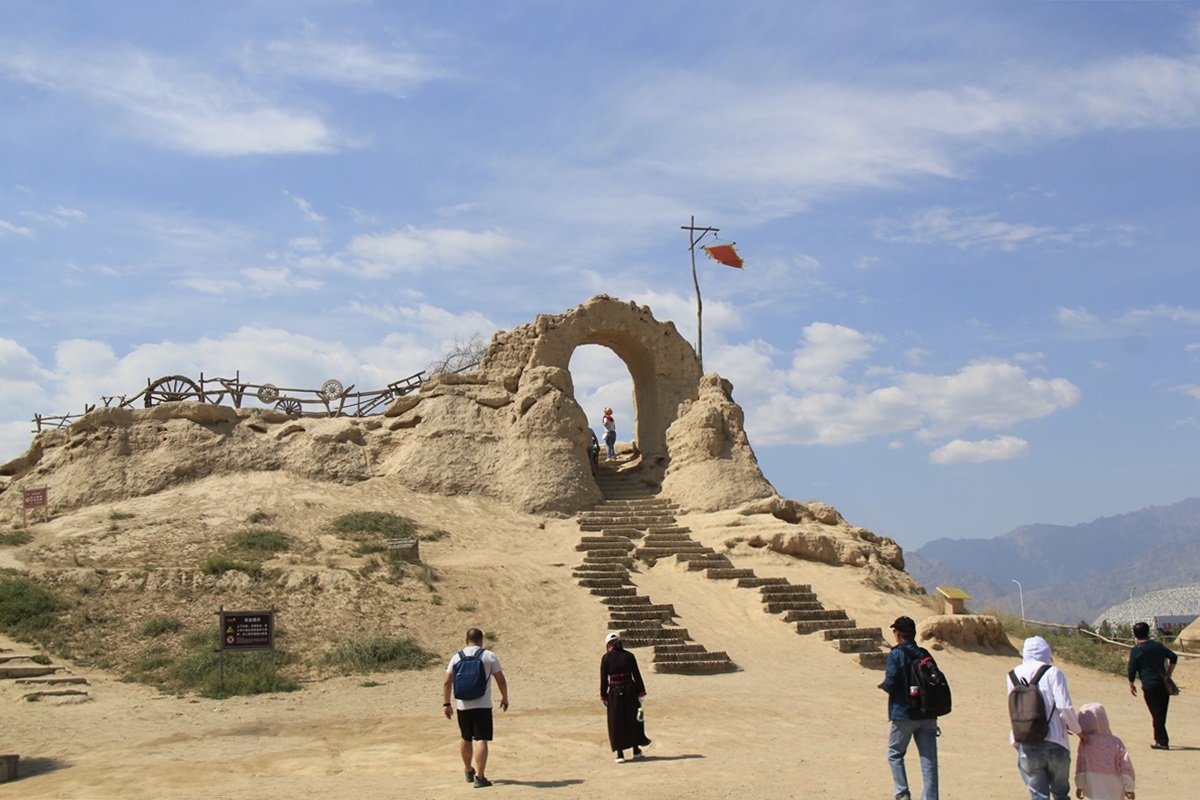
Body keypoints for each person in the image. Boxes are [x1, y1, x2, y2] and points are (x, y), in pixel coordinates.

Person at [1007, 636, 1082, 800]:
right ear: (1046, 652)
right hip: (1056, 740)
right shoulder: (1053, 672)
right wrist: (1078, 730)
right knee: (1061, 794)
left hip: (1026, 742)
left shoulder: (1012, 674)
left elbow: (1015, 709)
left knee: (1038, 795)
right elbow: (1065, 706)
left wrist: (1015, 739)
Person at [879, 615, 938, 800]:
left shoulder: (895, 654)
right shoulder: (925, 654)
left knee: (895, 754)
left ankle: (902, 794)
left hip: (903, 714)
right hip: (927, 713)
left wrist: (884, 686)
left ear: (898, 635)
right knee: (929, 760)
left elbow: (891, 682)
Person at [443, 628, 509, 788]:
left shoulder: (457, 657)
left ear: (466, 641)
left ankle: (468, 769)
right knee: (481, 739)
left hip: (462, 705)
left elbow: (447, 681)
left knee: (466, 737)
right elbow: (500, 679)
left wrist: (447, 704)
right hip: (482, 705)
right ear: (481, 641)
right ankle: (480, 776)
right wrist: (504, 697)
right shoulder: (489, 656)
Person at [1127, 621, 1179, 750]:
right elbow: (1173, 657)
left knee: (1156, 713)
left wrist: (1131, 683)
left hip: (1149, 685)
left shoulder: (1136, 650)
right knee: (1161, 712)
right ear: (1148, 633)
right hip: (1162, 684)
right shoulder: (1158, 646)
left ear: (1135, 634)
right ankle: (1161, 739)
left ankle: (1162, 741)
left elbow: (1132, 669)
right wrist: (1168, 674)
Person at [600, 632, 650, 763]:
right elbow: (636, 675)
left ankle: (620, 753)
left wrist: (603, 696)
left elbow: (604, 679)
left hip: (615, 692)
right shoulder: (629, 656)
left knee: (616, 721)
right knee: (632, 719)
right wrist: (641, 692)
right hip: (630, 690)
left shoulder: (606, 658)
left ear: (609, 645)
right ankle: (636, 750)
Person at [1074, 702, 1135, 800]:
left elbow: (1081, 765)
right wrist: (1129, 788)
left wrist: (1079, 785)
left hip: (1093, 782)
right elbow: (1125, 765)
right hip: (1115, 783)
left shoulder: (1085, 743)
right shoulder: (1116, 741)